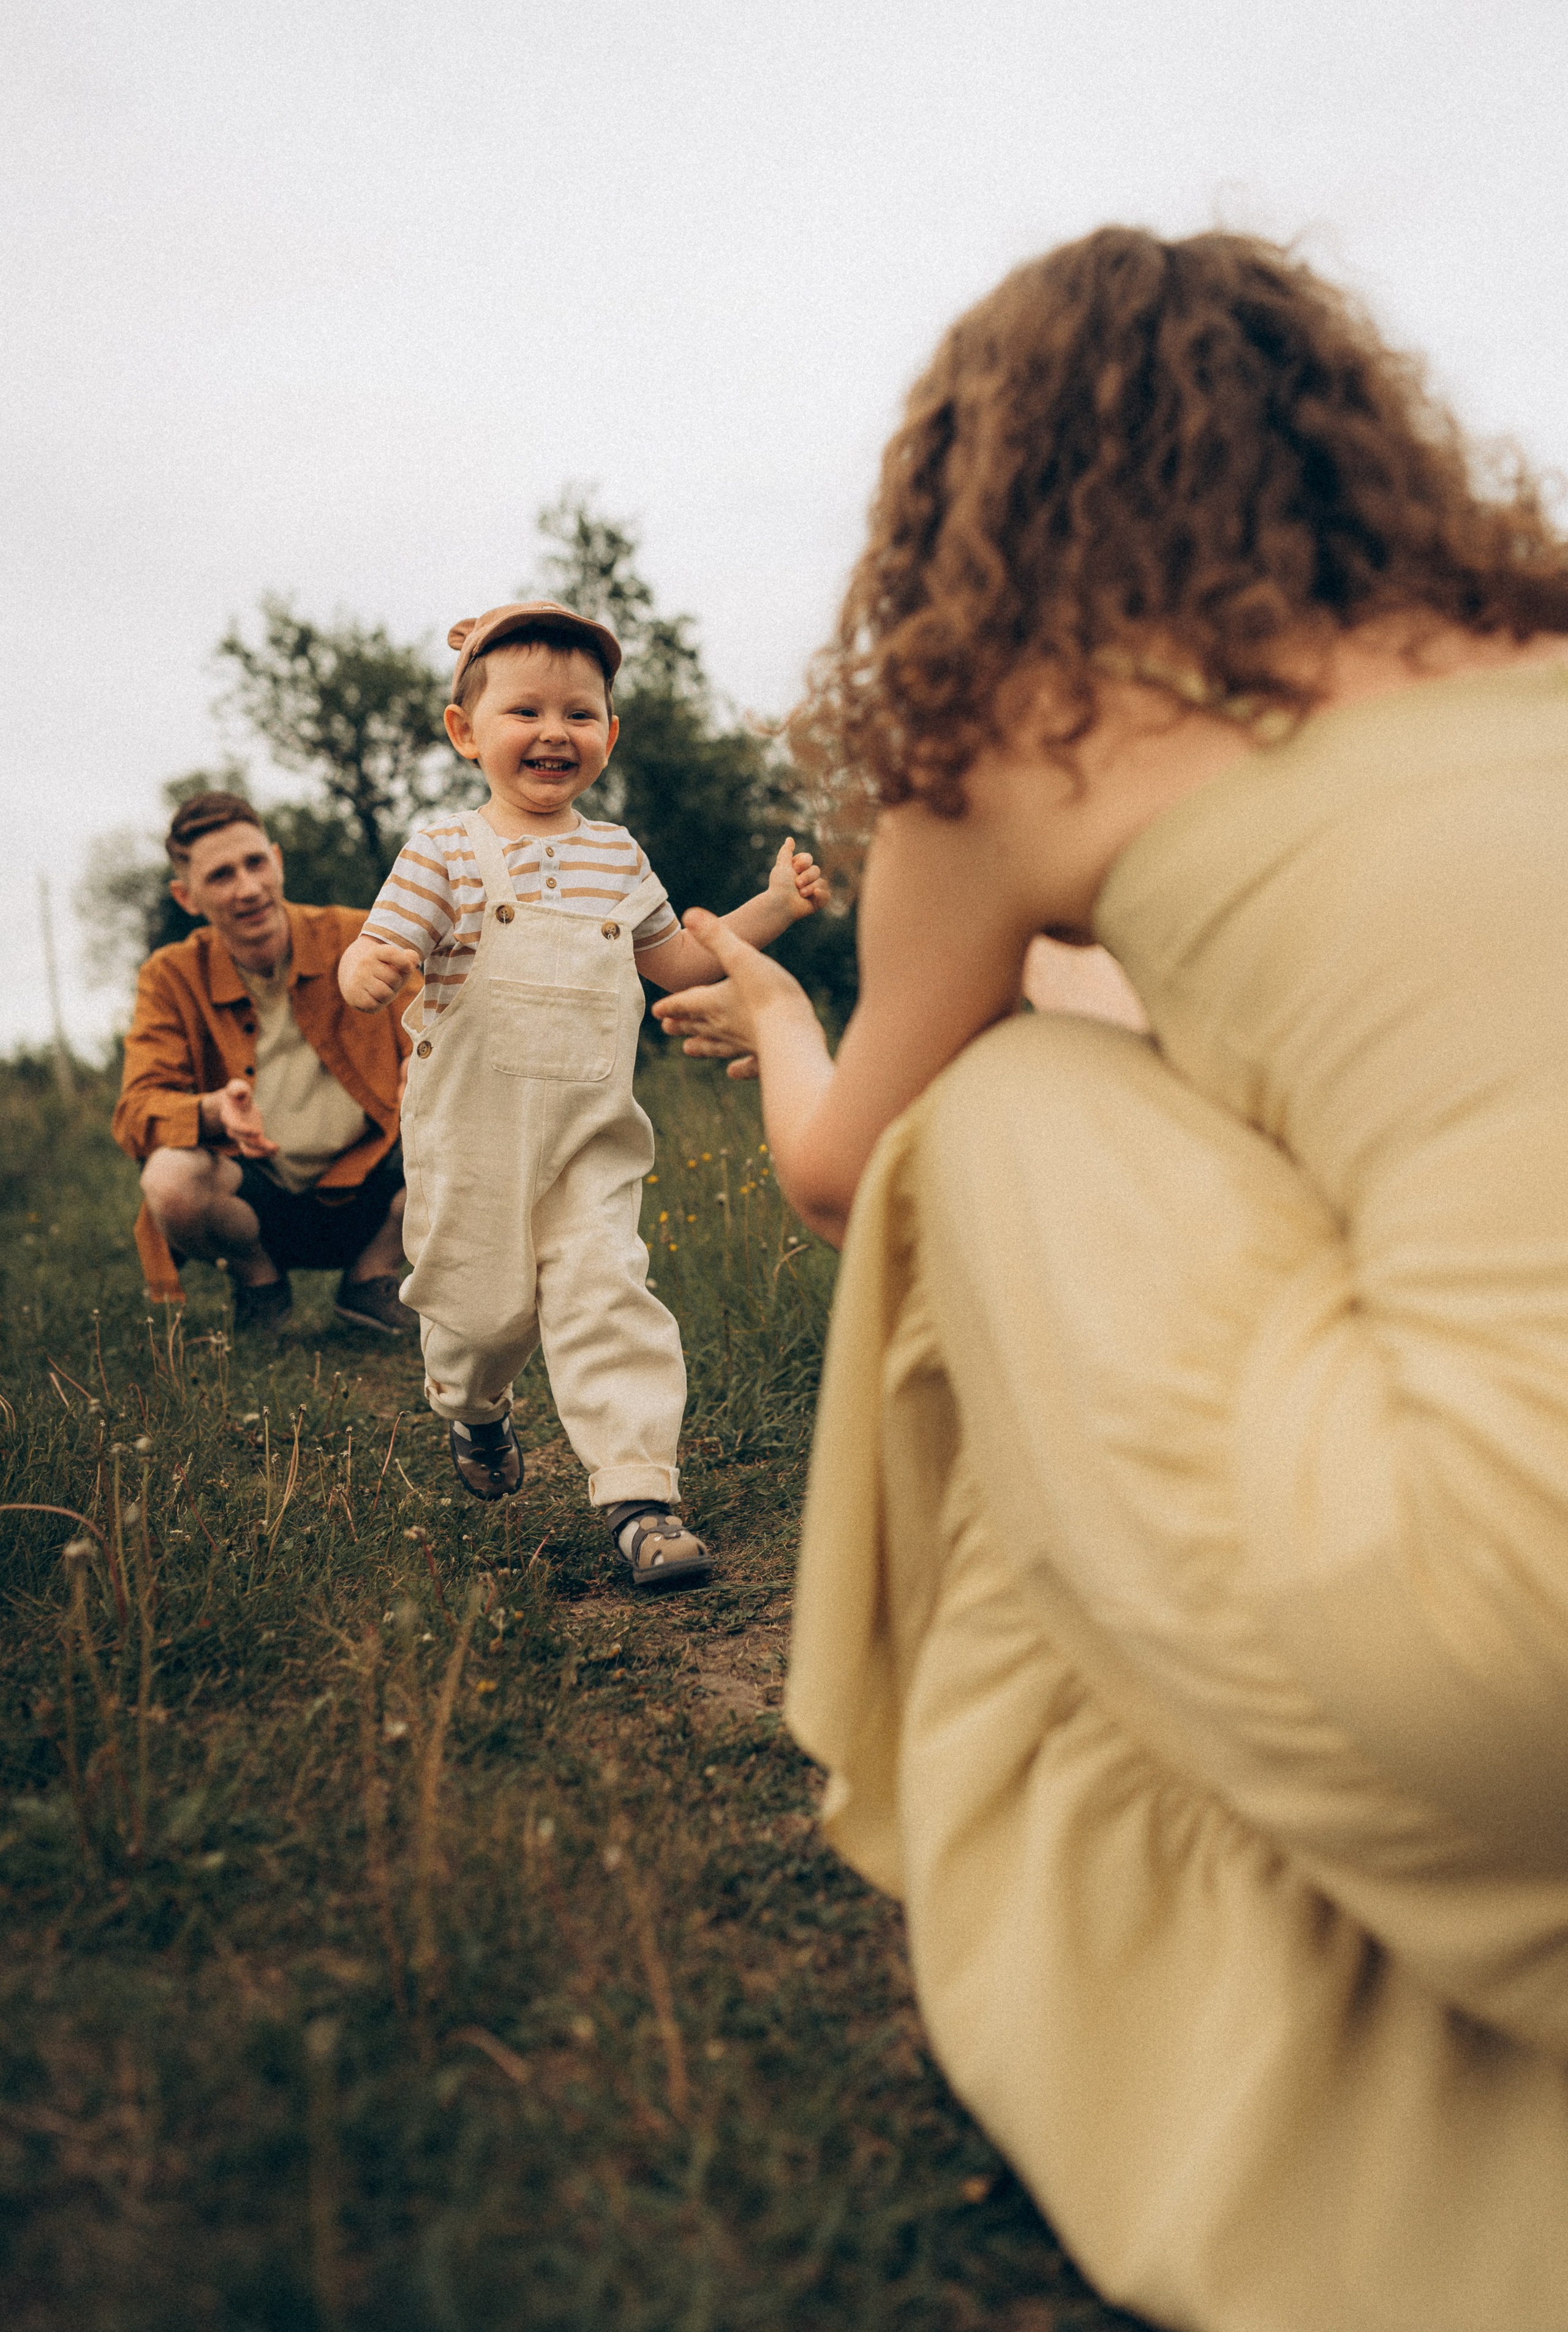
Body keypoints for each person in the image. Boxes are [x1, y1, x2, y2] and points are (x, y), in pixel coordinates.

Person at [652, 230, 1568, 2331]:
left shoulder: (1029, 738)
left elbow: (831, 1170)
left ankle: (1209, 2028)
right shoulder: (1530, 648)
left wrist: (787, 1006)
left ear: (980, 495)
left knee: (989, 1116)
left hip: (1513, 1638)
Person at [338, 600, 827, 1590]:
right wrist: (372, 970)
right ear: (465, 730)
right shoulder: (443, 852)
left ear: (611, 732)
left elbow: (680, 960)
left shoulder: (618, 857)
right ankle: (476, 1413)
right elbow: (376, 950)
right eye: (526, 711)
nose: (554, 732)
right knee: (478, 1321)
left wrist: (773, 905)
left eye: (580, 711)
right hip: (472, 1146)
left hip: (591, 1141)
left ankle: (641, 1495)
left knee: (609, 1293)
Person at [113, 790, 414, 1338]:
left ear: (277, 860)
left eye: (255, 863)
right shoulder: (170, 976)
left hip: (377, 1182)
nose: (248, 888)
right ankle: (260, 1283)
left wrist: (425, 1069)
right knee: (169, 1177)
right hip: (254, 1202)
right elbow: (136, 1109)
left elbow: (438, 1029)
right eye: (221, 876)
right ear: (187, 897)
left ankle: (372, 1280)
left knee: (478, 1126)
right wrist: (212, 1111)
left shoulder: (360, 936)